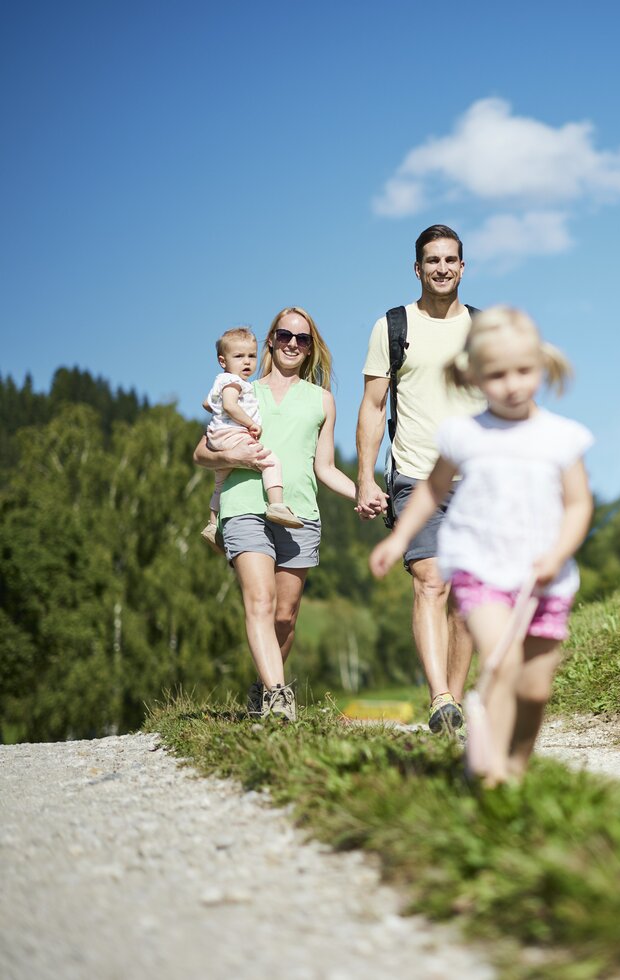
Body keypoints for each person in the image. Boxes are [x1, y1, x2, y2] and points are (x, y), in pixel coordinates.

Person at [369, 306, 593, 785]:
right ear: (473, 375)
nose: (511, 384)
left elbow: (578, 506)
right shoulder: (464, 434)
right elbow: (430, 489)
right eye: (496, 375)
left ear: (541, 365)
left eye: (523, 371)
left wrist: (557, 553)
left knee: (534, 689)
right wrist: (401, 538)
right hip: (482, 570)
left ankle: (514, 766)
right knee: (501, 662)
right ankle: (485, 770)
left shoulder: (560, 437)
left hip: (545, 579)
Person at [194, 307, 357, 721]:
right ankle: (279, 696)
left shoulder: (321, 400)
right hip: (246, 506)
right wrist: (231, 455)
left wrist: (364, 493)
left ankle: (263, 691)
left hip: (299, 511)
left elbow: (325, 468)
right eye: (285, 335)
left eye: (301, 339)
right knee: (261, 601)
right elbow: (201, 453)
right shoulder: (244, 389)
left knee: (284, 616)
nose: (292, 344)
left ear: (309, 348)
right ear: (271, 339)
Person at [356, 225, 484, 734]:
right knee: (431, 580)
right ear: (417, 268)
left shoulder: (482, 328)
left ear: (463, 267)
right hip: (414, 475)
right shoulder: (392, 326)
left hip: (476, 479)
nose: (442, 268)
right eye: (432, 260)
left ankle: (452, 703)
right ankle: (440, 698)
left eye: (451, 260)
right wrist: (366, 478)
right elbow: (372, 407)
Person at [201, 326, 302, 554]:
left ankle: (211, 524)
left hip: (218, 439)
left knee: (219, 484)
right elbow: (229, 405)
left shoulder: (220, 381)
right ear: (222, 360)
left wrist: (219, 413)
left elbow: (208, 404)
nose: (246, 362)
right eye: (238, 356)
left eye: (251, 356)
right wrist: (250, 423)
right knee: (270, 461)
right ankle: (277, 505)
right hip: (234, 437)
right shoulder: (235, 383)